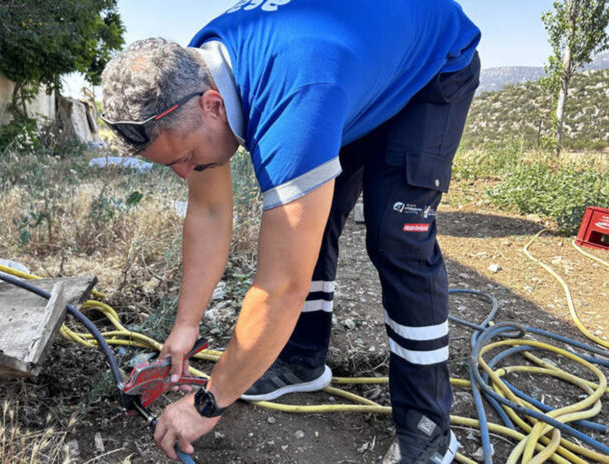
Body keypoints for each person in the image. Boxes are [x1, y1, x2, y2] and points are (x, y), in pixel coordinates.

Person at [101, 1, 480, 462]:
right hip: (347, 71)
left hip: (433, 66)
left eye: (185, 157)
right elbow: (208, 214)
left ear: (213, 106)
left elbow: (281, 286)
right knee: (305, 223)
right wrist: (185, 325)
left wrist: (209, 402)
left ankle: (428, 428)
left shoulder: (293, 97)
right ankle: (301, 358)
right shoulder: (194, 72)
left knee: (398, 237)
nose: (185, 173)